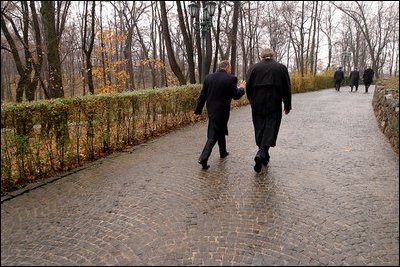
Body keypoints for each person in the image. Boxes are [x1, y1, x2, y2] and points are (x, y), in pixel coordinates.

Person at [245, 48, 291, 173]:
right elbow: (287, 87)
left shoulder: (254, 68)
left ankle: (263, 154)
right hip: (274, 102)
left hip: (257, 103)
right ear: (273, 55)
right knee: (271, 128)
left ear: (262, 56)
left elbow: (247, 86)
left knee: (260, 128)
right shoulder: (280, 68)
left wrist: (250, 99)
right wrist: (287, 105)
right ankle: (262, 153)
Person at [194, 60, 246, 169]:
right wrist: (242, 88)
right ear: (227, 67)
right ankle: (203, 158)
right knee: (214, 133)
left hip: (211, 110)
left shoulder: (208, 78)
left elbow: (202, 95)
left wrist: (197, 111)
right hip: (222, 110)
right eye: (230, 68)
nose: (230, 69)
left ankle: (223, 152)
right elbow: (236, 95)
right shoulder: (230, 78)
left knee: (220, 129)